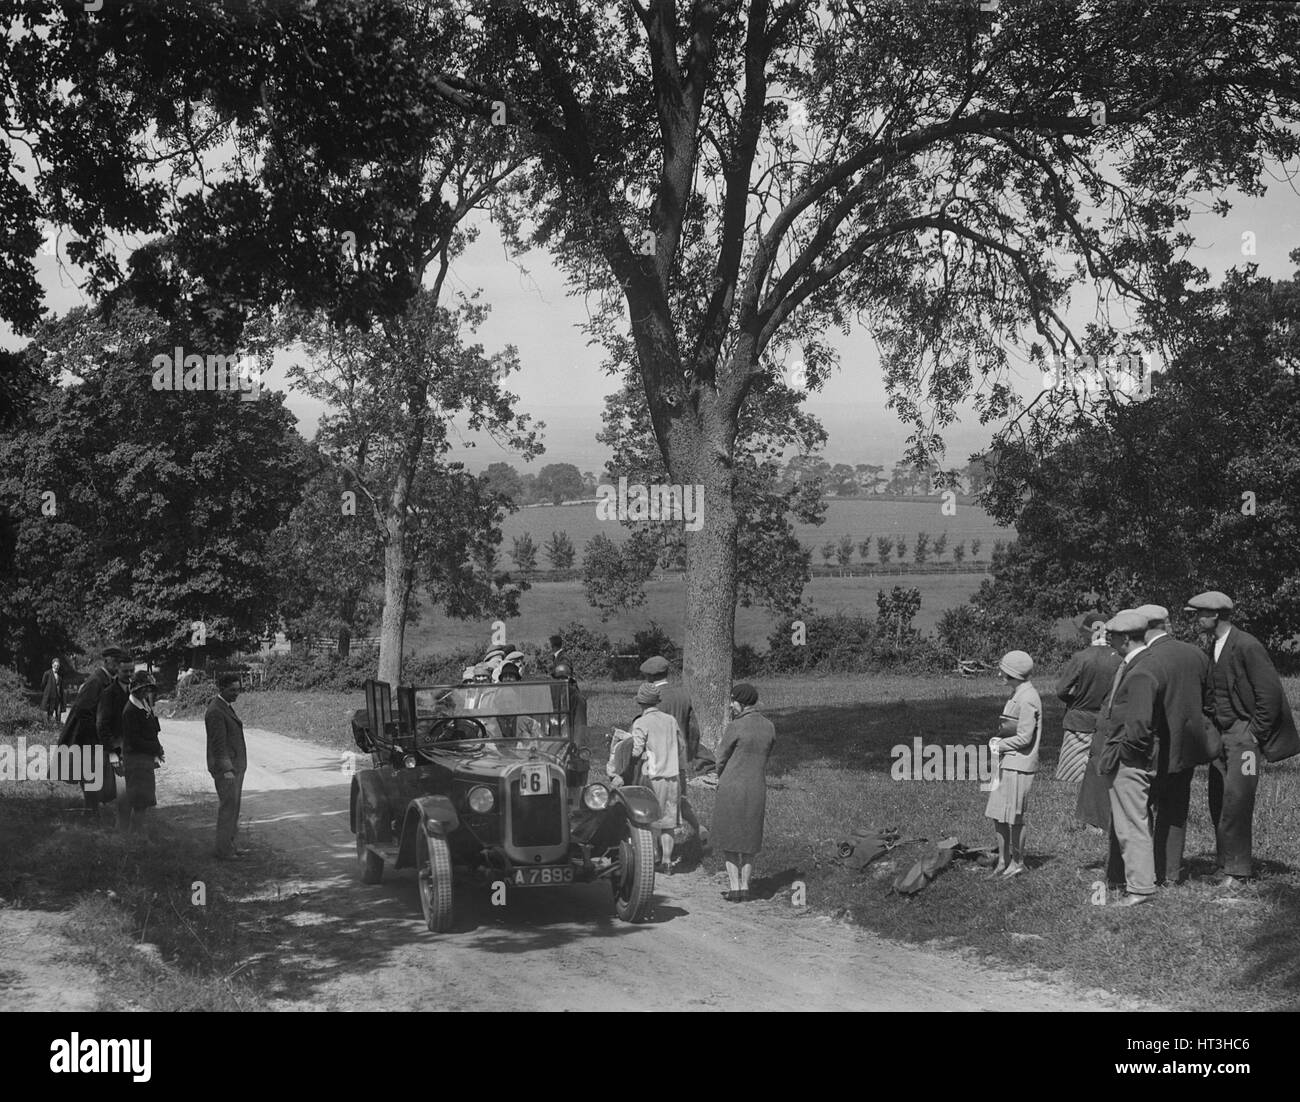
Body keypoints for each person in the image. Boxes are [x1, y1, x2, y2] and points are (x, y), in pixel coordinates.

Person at [1186, 590, 1300, 885]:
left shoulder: (1247, 645)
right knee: (1218, 800)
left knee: (1238, 801)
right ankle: (1224, 864)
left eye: (1200, 614)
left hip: (1245, 741)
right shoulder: (1215, 645)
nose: (1197, 619)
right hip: (1221, 738)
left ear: (1215, 615)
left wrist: (1254, 734)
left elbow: (1270, 695)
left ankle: (1237, 871)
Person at [1131, 603, 1217, 886]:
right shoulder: (1195, 654)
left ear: (1141, 628)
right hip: (1187, 747)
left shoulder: (1145, 658)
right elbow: (1209, 700)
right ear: (1165, 623)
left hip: (1150, 750)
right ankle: (1169, 872)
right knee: (1176, 810)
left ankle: (1143, 872)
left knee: (1140, 809)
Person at [1096, 610, 1161, 907]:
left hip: (1130, 759)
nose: (1109, 640)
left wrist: (1126, 755)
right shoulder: (1138, 664)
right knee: (1130, 821)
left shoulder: (1141, 671)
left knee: (1131, 823)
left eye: (1113, 636)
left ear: (1124, 638)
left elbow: (1139, 724)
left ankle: (1140, 888)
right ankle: (1138, 882)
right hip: (1127, 755)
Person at [712, 683, 777, 902]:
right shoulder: (769, 726)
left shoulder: (735, 726)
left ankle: (734, 887)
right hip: (757, 785)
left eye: (733, 700)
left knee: (729, 837)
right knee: (750, 838)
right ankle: (746, 886)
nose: (731, 705)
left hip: (731, 785)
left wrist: (718, 774)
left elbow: (721, 757)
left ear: (742, 702)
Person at [984, 651, 1041, 879]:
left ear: (1014, 673)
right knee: (998, 813)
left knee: (1014, 817)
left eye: (1004, 670)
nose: (1000, 673)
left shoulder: (1028, 698)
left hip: (1020, 763)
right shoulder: (1017, 693)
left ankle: (1017, 863)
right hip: (1008, 761)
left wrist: (998, 744)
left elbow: (1025, 737)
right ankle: (1002, 860)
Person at [58, 646, 124, 816]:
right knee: (89, 774)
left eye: (120, 663)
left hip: (93, 735)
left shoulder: (108, 680)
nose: (117, 666)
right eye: (115, 662)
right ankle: (90, 812)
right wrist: (95, 736)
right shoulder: (96, 681)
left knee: (94, 775)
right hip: (84, 736)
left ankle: (92, 811)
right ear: (106, 661)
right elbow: (83, 711)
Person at [1055, 614, 1120, 783]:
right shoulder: (1119, 658)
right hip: (1108, 720)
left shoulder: (1081, 657)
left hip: (1079, 721)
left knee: (1071, 777)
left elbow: (1062, 690)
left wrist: (1074, 701)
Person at [630, 683, 684, 874]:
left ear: (640, 703)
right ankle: (668, 861)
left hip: (652, 776)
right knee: (668, 821)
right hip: (672, 775)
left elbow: (636, 751)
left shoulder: (641, 723)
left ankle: (653, 856)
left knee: (651, 819)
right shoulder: (670, 720)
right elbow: (681, 745)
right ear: (657, 701)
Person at [639, 655, 708, 772]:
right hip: (681, 755)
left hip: (658, 759)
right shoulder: (683, 694)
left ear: (649, 676)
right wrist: (690, 756)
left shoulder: (652, 698)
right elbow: (694, 730)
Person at [206, 673, 248, 860]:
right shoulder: (216, 710)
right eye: (232, 690)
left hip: (235, 768)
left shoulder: (225, 707)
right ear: (221, 688)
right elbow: (218, 745)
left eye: (238, 690)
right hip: (227, 770)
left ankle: (229, 845)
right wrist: (227, 770)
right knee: (228, 808)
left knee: (234, 807)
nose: (236, 694)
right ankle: (222, 850)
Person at [117, 671, 164, 835]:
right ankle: (134, 836)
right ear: (134, 690)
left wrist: (158, 747)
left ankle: (136, 834)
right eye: (143, 689)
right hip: (136, 761)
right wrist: (154, 748)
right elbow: (134, 741)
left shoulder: (143, 704)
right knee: (139, 802)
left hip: (144, 759)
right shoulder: (130, 711)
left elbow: (152, 730)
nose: (146, 692)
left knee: (143, 801)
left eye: (148, 689)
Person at [40, 657, 66, 724]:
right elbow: (43, 684)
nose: (56, 667)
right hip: (50, 697)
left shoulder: (60, 675)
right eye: (55, 665)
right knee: (49, 714)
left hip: (58, 698)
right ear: (52, 665)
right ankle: (50, 728)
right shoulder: (47, 673)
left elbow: (61, 687)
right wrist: (47, 692)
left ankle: (58, 727)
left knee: (59, 714)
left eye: (58, 666)